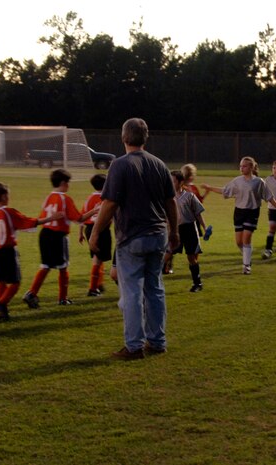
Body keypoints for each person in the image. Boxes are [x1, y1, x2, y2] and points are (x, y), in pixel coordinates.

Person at [89, 117, 179, 360]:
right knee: (155, 289)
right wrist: (174, 231)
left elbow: (110, 203)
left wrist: (96, 232)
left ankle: (134, 346)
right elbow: (170, 201)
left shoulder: (119, 165)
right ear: (145, 138)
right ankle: (157, 342)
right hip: (158, 234)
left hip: (132, 237)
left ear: (124, 138)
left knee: (131, 293)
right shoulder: (159, 164)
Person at [0, 182, 63, 321]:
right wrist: (50, 218)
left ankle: (3, 313)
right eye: (7, 194)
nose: (9, 197)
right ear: (3, 196)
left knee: (2, 282)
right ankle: (1, 304)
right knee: (15, 282)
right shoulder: (8, 212)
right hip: (7, 251)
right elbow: (27, 221)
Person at [22, 169, 99, 308]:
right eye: (68, 182)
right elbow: (79, 218)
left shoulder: (49, 197)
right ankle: (63, 298)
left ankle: (31, 293)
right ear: (63, 183)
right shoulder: (65, 198)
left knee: (45, 266)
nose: (69, 185)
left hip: (45, 233)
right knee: (63, 267)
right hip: (58, 235)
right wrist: (94, 211)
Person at [203, 156, 276, 275]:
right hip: (239, 212)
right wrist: (210, 188)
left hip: (252, 212)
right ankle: (247, 257)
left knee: (246, 239)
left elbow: (269, 196)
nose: (241, 168)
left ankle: (246, 266)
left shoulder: (259, 182)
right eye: (240, 166)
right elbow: (225, 191)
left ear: (251, 167)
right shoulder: (237, 181)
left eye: (244, 166)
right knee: (239, 242)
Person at [163, 170, 206, 292]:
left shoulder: (189, 196)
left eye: (174, 181)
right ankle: (154, 280)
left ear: (181, 182)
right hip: (174, 229)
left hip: (189, 229)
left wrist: (204, 227)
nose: (171, 183)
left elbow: (198, 214)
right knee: (167, 253)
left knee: (191, 257)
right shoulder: (167, 198)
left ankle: (197, 283)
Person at [79, 174, 111, 297]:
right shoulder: (106, 198)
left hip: (89, 229)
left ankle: (99, 284)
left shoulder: (89, 198)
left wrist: (80, 233)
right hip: (100, 230)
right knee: (98, 259)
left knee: (98, 257)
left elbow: (82, 215)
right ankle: (92, 288)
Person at [181, 163, 213, 240]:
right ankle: (205, 229)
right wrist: (206, 193)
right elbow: (199, 202)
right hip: (191, 217)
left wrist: (206, 193)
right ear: (191, 176)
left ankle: (205, 229)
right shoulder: (192, 188)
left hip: (182, 217)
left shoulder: (179, 186)